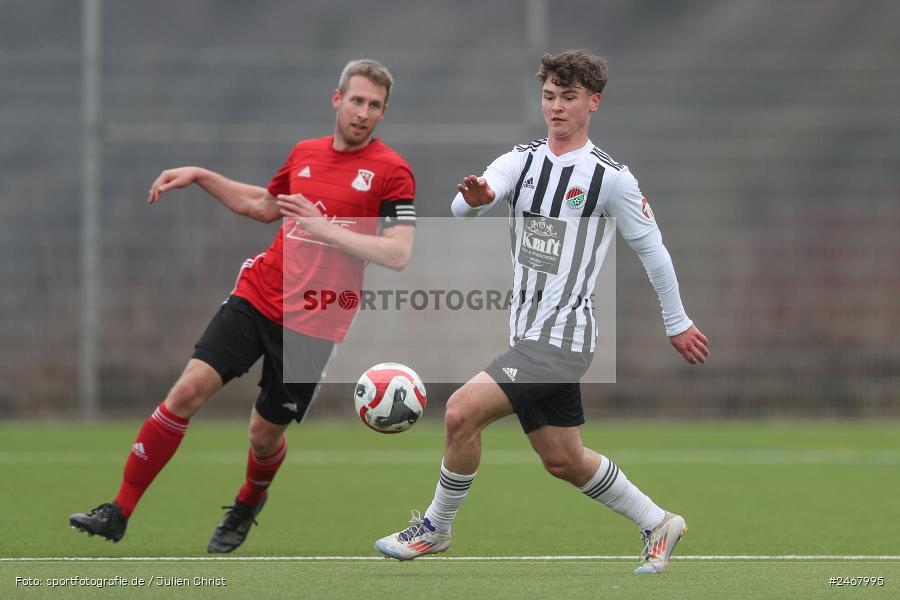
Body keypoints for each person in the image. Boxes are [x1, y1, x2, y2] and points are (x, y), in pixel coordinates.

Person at [374, 50, 708, 575]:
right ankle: (658, 521)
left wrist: (677, 322)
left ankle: (435, 529)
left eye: (569, 97)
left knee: (461, 411)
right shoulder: (521, 160)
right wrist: (478, 198)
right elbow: (464, 208)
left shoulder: (610, 179)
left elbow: (654, 251)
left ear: (593, 102)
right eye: (549, 95)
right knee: (563, 458)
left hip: (565, 336)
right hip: (527, 334)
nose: (556, 107)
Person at [70, 59, 417, 553]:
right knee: (187, 391)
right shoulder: (304, 154)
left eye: (375, 106)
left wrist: (327, 230)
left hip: (315, 324)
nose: (363, 113)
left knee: (262, 436)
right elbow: (262, 205)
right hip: (258, 294)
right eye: (357, 100)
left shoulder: (391, 171)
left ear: (384, 112)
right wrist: (200, 175)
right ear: (336, 99)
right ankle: (118, 511)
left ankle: (248, 501)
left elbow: (398, 253)